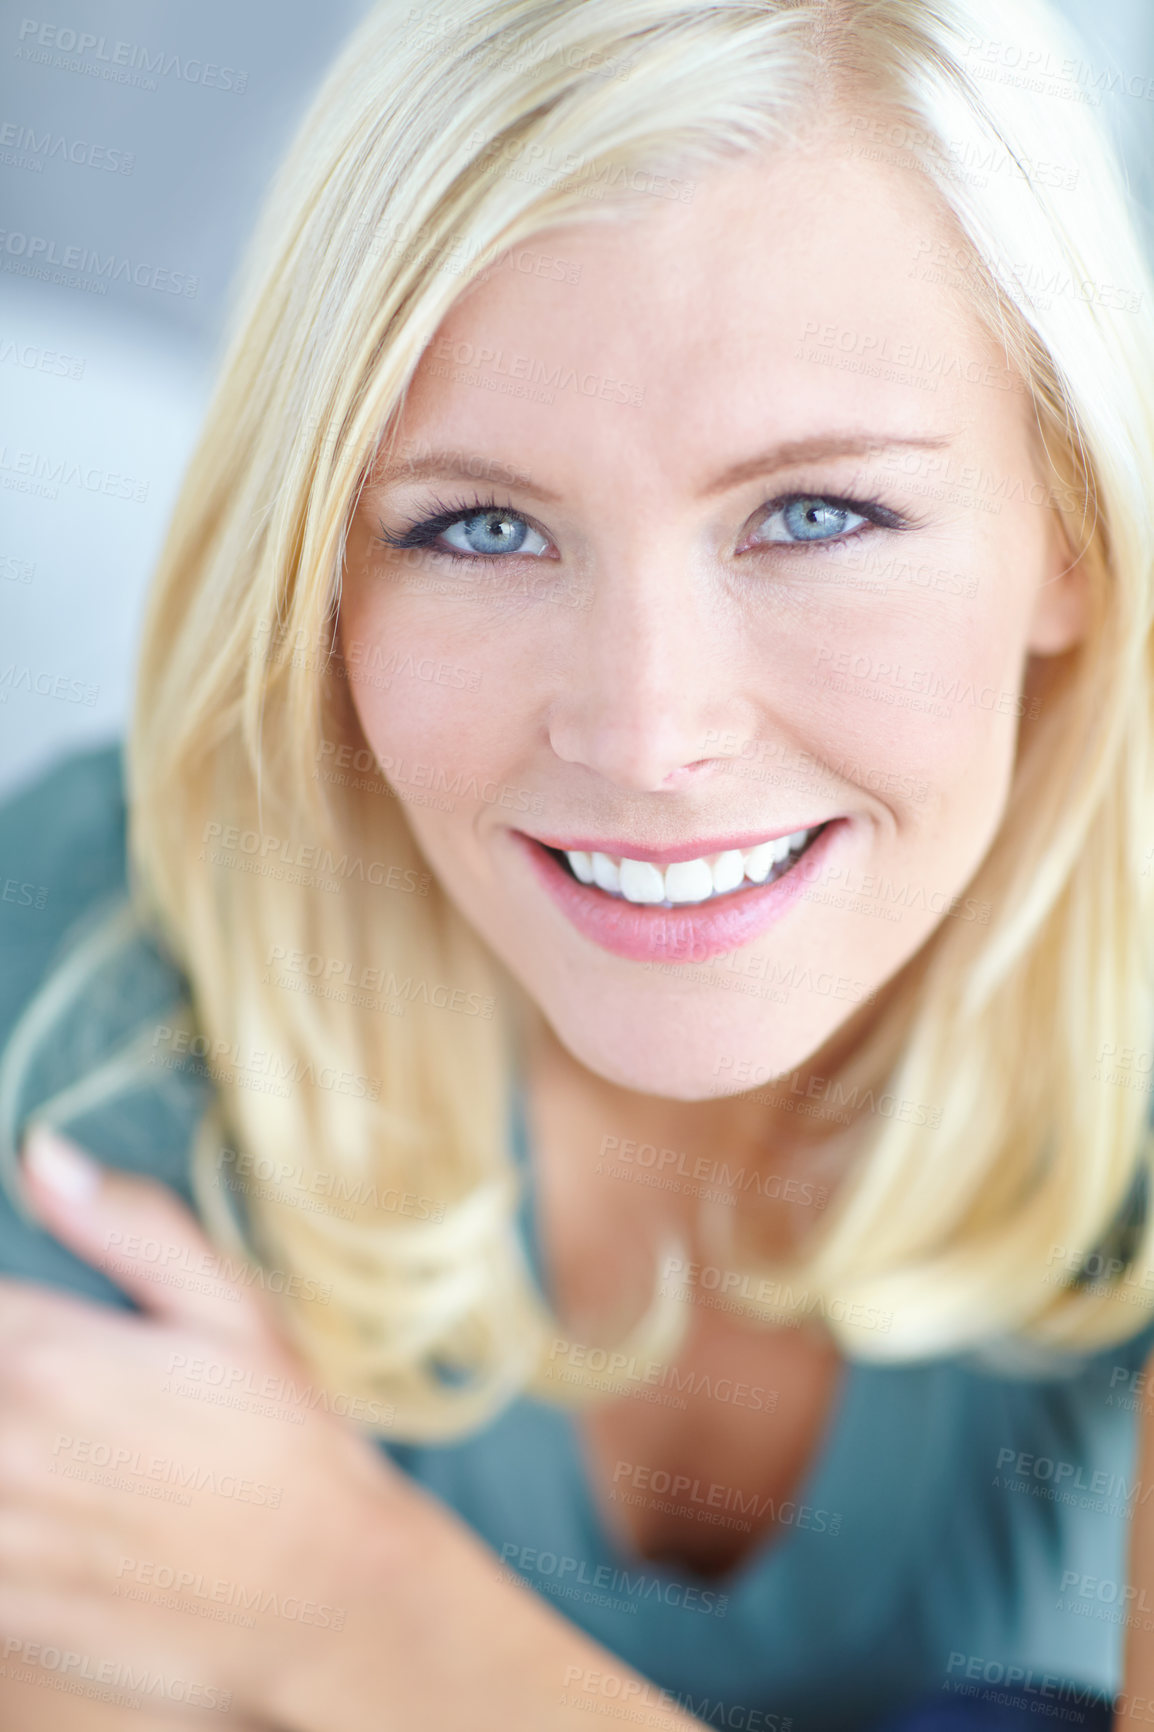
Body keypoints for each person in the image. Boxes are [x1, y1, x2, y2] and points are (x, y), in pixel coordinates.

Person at [1, 0, 1152, 1725]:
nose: (645, 731)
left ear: (1067, 530)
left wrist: (355, 1619)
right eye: (476, 527)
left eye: (817, 514)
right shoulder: (102, 974)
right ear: (324, 578)